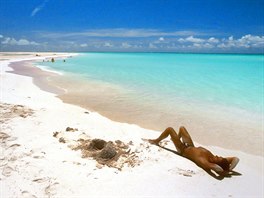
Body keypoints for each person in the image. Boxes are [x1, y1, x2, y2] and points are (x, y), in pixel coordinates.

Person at [148, 126, 239, 175]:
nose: (217, 156)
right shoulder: (213, 157)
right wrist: (230, 169)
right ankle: (176, 139)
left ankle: (156, 141)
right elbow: (236, 158)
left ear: (215, 163)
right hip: (191, 145)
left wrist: (224, 171)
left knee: (170, 129)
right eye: (219, 156)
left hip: (182, 149)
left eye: (218, 158)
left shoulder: (205, 162)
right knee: (182, 128)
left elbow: (217, 168)